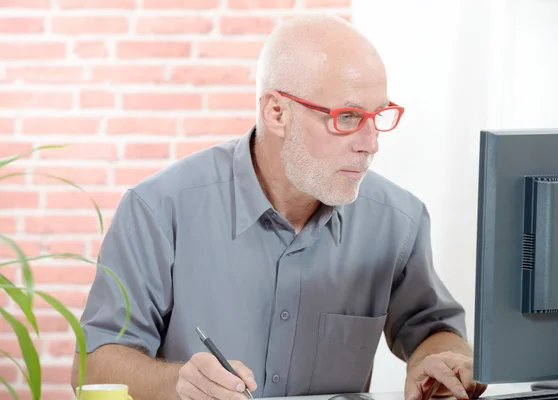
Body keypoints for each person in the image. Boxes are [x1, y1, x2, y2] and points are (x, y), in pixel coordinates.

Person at [71, 14, 487, 400]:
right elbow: (92, 366)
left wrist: (441, 359)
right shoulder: (159, 209)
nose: (371, 143)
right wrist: (177, 381)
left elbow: (434, 330)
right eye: (347, 118)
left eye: (378, 116)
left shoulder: (399, 220)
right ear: (276, 112)